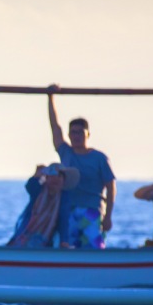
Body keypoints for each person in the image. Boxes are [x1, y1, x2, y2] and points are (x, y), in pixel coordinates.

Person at [48, 90, 116, 248]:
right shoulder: (66, 152)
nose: (76, 136)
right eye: (73, 133)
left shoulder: (99, 158)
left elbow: (111, 188)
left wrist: (108, 217)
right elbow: (54, 127)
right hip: (68, 210)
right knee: (65, 247)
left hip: (92, 211)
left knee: (93, 248)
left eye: (80, 132)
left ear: (88, 134)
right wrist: (50, 97)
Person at [9, 162, 79, 248]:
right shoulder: (38, 190)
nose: (55, 179)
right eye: (52, 176)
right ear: (46, 178)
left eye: (59, 176)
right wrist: (36, 175)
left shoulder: (64, 197)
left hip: (47, 237)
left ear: (64, 180)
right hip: (26, 233)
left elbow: (63, 220)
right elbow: (30, 186)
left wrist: (64, 240)